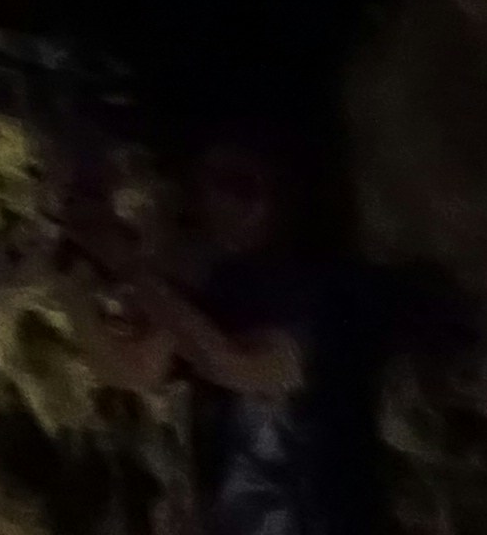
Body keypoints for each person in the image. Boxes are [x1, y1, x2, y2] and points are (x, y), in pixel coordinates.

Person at [79, 132, 378, 535]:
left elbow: (238, 363)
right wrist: (71, 284)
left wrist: (137, 274)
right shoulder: (228, 289)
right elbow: (139, 369)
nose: (209, 211)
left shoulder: (327, 298)